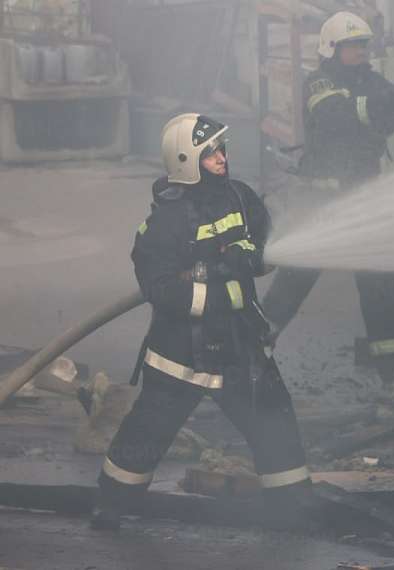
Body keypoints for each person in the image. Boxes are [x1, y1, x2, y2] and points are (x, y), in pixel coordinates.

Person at [92, 114, 311, 530]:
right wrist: (216, 288)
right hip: (182, 350)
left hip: (240, 343)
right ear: (185, 159)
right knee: (147, 431)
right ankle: (112, 504)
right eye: (210, 152)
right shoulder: (165, 222)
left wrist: (250, 257)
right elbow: (159, 287)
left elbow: (264, 245)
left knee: (274, 421)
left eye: (221, 149)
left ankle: (295, 507)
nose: (221, 158)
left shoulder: (241, 197)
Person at [261, 11, 394, 383]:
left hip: (364, 202)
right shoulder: (318, 82)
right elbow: (337, 115)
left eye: (363, 45)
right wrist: (384, 101)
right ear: (331, 49)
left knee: (382, 283)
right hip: (321, 201)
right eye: (352, 46)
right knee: (294, 281)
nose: (360, 52)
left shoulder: (372, 81)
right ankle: (250, 357)